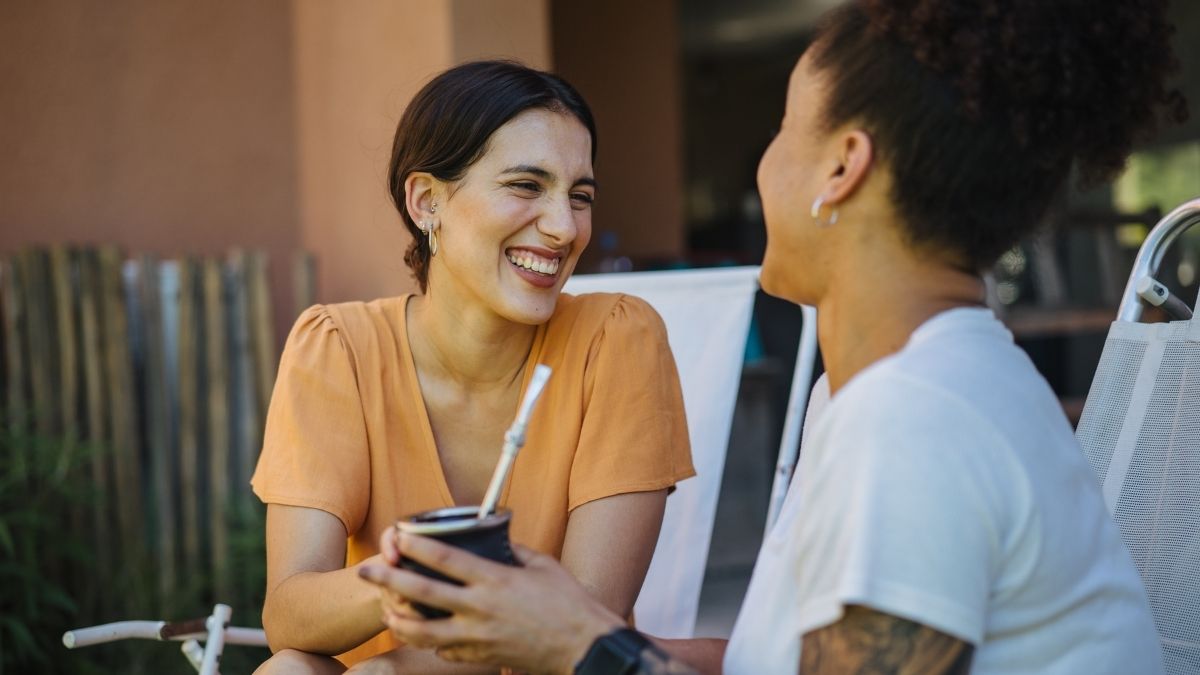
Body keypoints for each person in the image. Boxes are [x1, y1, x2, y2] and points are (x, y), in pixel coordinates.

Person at [359, 1, 1189, 673]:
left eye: (783, 129)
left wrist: (579, 645)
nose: (762, 167)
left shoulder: (916, 420)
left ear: (842, 168)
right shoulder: (885, 391)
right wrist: (563, 622)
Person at [251, 60, 695, 673]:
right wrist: (419, 577)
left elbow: (587, 620)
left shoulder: (615, 340)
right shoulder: (339, 349)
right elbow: (290, 616)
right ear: (427, 200)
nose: (564, 228)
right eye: (525, 185)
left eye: (580, 196)